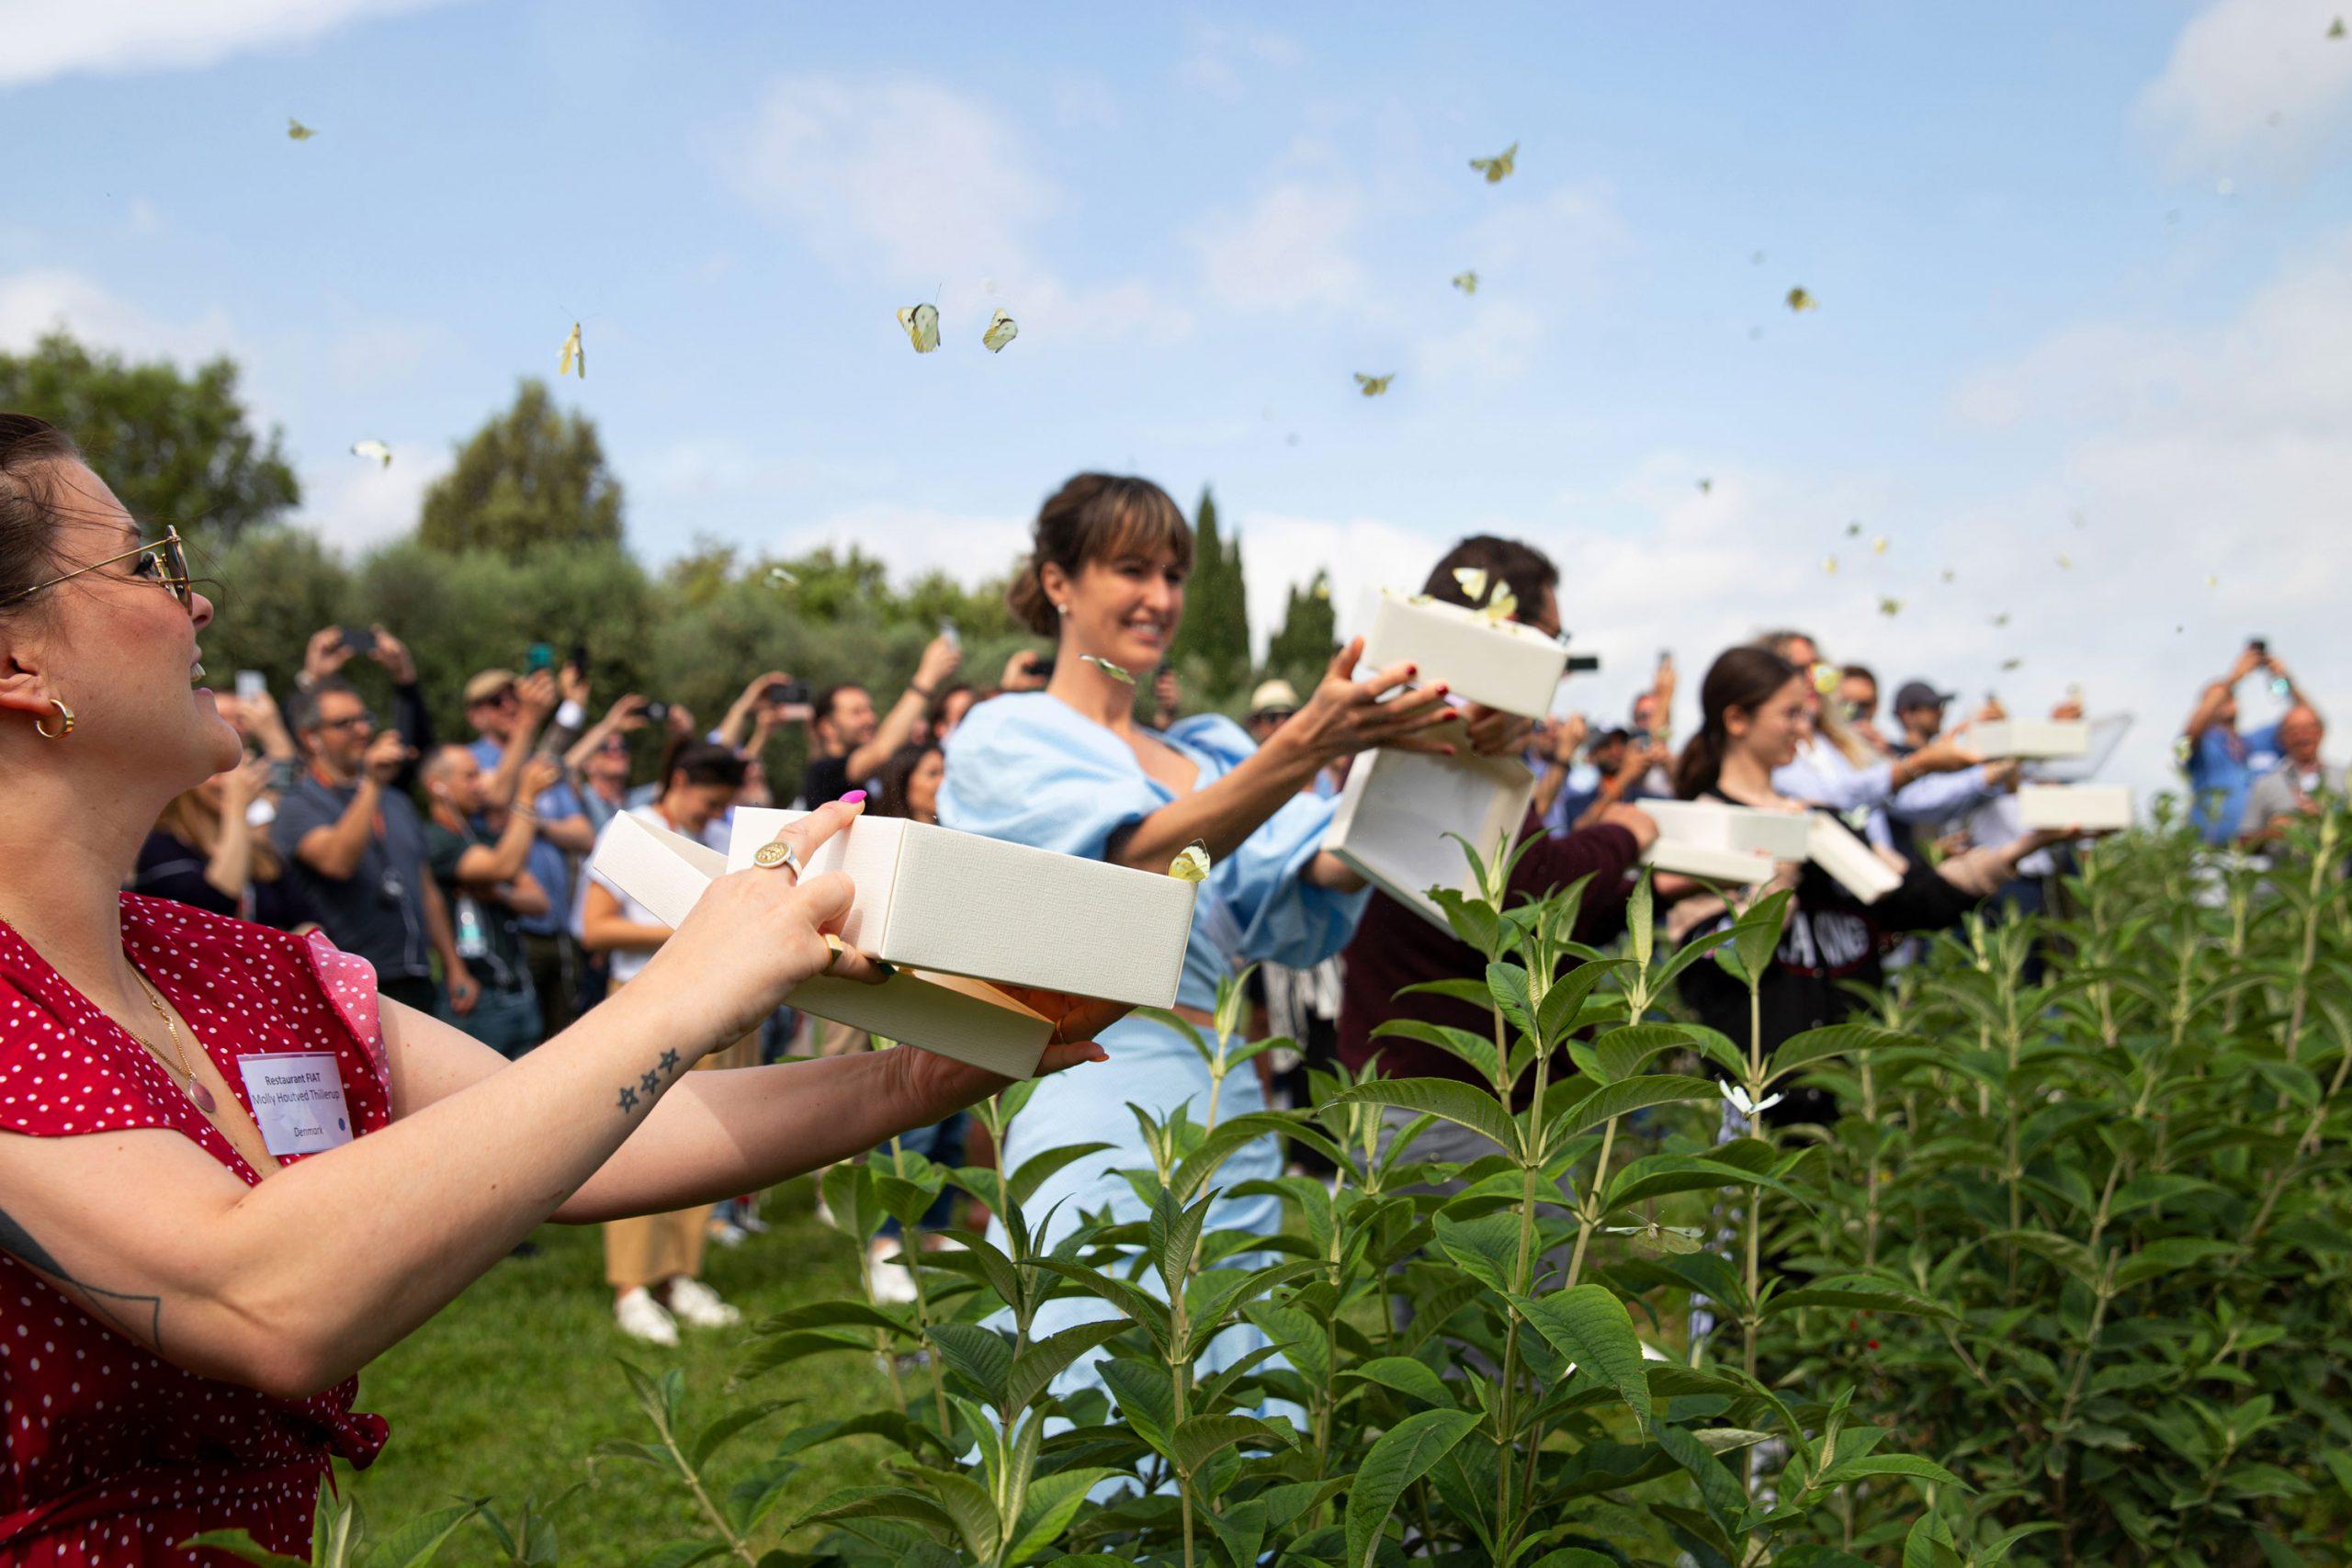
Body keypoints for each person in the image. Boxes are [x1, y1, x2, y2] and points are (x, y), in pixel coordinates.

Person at [0, 413, 1105, 1558]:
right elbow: (263, 1299)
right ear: (13, 664)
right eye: (148, 563)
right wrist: (684, 991)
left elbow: (581, 1132)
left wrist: (923, 1073)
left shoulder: (234, 965)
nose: (200, 603)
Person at [939, 471, 1452, 1398]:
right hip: (1089, 1085)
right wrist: (1302, 748)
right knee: (1096, 1357)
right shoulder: (1005, 737)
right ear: (1057, 581)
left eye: (1174, 573)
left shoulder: (1209, 755)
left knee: (1232, 1370)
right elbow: (1124, 874)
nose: (1162, 598)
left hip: (1220, 1098)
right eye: (1131, 568)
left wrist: (1419, 748)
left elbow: (1321, 869)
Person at [1339, 536, 1660, 1179]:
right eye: (1554, 636)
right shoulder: (1442, 729)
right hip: (1458, 1102)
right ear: (1509, 628)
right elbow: (1530, 890)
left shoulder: (1427, 718)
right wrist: (1627, 831)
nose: (1560, 662)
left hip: (1410, 1081)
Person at [1668, 646, 2075, 1122]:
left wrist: (2026, 846)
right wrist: (1780, 867)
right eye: (1790, 714)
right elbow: (1715, 964)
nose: (1806, 728)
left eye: (1807, 711)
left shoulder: (1823, 819)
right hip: (1760, 1093)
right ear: (1737, 720)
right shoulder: (1700, 828)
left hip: (1851, 1086)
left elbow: (1910, 899)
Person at [578, 742, 763, 1342]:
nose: (715, 814)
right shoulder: (630, 832)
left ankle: (679, 1273)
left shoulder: (713, 834)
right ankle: (632, 1285)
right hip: (642, 998)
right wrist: (690, 927)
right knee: (638, 1141)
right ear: (678, 779)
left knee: (703, 1141)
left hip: (710, 999)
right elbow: (595, 926)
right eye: (711, 800)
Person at [275, 678, 474, 1020]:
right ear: (311, 738)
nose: (362, 730)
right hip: (347, 985)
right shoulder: (298, 804)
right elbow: (337, 862)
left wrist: (454, 966)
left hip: (416, 977)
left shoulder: (396, 802)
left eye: (364, 718)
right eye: (344, 724)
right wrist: (372, 784)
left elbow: (426, 890)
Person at [463, 667, 593, 1039]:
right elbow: (496, 799)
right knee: (517, 1049)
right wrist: (531, 722)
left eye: (513, 698)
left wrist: (533, 822)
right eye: (496, 701)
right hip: (512, 929)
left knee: (567, 1039)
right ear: (475, 715)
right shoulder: (473, 762)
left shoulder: (541, 762)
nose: (509, 707)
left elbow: (585, 835)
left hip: (561, 926)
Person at [421, 746, 558, 1060]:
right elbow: (503, 867)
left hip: (518, 993)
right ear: (436, 785)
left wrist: (500, 894)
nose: (479, 784)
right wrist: (525, 797)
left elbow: (539, 901)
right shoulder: (435, 840)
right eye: (469, 776)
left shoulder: (480, 836)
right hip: (477, 1000)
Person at [135, 754, 316, 931]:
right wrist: (236, 806)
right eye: (218, 772)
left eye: (239, 771)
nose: (230, 782)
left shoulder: (255, 847)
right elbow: (218, 902)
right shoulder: (161, 846)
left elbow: (308, 919)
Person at [804, 634, 962, 806]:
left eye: (869, 709)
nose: (870, 719)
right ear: (827, 727)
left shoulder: (865, 773)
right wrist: (927, 677)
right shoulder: (824, 771)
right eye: (856, 712)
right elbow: (881, 750)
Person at [2184, 640, 2308, 845]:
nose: (2226, 698)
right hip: (2213, 853)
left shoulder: (2259, 741)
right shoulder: (2203, 746)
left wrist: (2284, 680)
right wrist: (2233, 678)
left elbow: (2306, 723)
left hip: (2261, 849)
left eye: (2230, 695)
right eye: (2218, 697)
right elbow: (2188, 736)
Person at [2241, 705, 2342, 848]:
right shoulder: (2265, 784)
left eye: (2308, 728)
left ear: (2321, 732)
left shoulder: (2345, 778)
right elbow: (2243, 842)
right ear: (2282, 738)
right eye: (2293, 731)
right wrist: (2270, 834)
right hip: (2285, 868)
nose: (2302, 736)